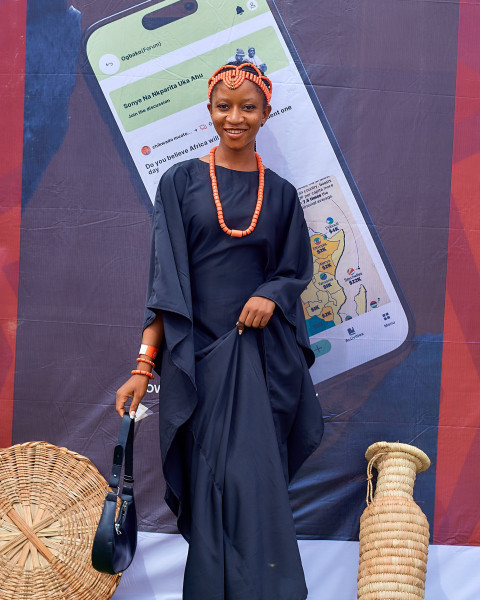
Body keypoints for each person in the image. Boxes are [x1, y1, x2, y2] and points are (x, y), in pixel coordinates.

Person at [116, 62, 324, 600]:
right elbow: (164, 286)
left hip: (256, 363)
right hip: (195, 364)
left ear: (265, 114)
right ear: (209, 111)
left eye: (248, 108)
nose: (236, 117)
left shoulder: (279, 195)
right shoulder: (180, 182)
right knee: (209, 485)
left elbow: (295, 269)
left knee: (253, 486)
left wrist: (269, 295)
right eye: (224, 107)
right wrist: (144, 366)